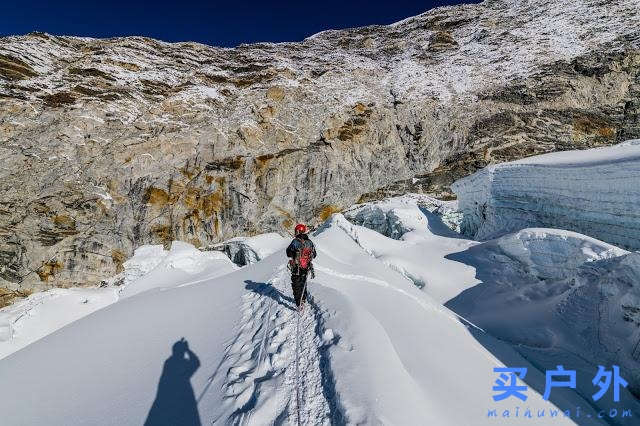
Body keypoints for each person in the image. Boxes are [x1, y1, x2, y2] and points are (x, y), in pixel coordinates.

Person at [286, 223, 317, 311]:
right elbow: (314, 255)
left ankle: (299, 303)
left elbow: (288, 253)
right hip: (306, 266)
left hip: (296, 266)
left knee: (296, 284)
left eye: (296, 231)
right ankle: (303, 299)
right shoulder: (310, 242)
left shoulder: (295, 241)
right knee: (303, 283)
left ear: (299, 231)